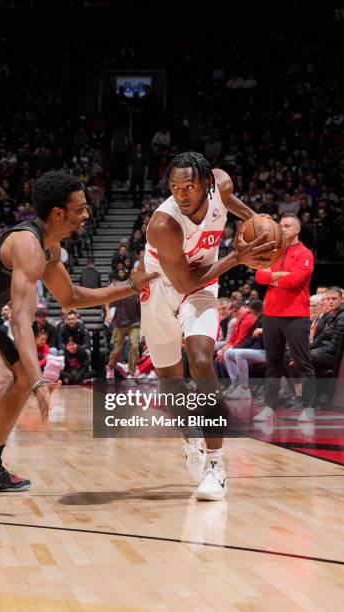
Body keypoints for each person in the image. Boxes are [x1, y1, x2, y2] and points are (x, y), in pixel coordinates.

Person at [0, 170, 157, 521]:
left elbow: (70, 297)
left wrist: (130, 286)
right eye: (81, 208)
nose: (87, 214)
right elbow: (19, 320)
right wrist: (39, 380)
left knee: (14, 380)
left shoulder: (50, 247)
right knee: (0, 378)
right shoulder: (28, 244)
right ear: (58, 213)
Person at [142, 151, 275, 501]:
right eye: (174, 187)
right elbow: (182, 282)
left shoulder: (223, 186)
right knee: (170, 384)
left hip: (202, 286)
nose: (181, 194)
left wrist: (257, 222)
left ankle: (217, 466)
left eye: (189, 186)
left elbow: (233, 204)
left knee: (201, 359)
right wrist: (237, 257)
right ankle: (190, 436)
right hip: (159, 288)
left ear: (208, 186)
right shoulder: (163, 224)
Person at [254, 213, 316, 422]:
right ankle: (270, 406)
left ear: (297, 229)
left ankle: (308, 407)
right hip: (271, 315)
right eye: (281, 226)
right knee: (272, 364)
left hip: (296, 316)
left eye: (288, 226)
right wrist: (278, 276)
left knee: (302, 363)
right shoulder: (274, 252)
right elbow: (259, 276)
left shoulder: (305, 253)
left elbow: (295, 281)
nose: (283, 229)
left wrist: (273, 277)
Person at [223, 299, 265, 399]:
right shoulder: (250, 320)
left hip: (269, 352)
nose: (235, 313)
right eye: (233, 311)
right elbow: (249, 340)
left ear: (248, 309)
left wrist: (263, 330)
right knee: (228, 353)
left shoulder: (258, 319)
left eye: (237, 310)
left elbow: (247, 340)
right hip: (258, 349)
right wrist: (230, 348)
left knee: (239, 354)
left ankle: (244, 389)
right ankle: (236, 385)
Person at [105, 292, 141, 378]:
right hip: (120, 323)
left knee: (135, 346)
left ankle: (131, 374)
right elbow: (107, 301)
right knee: (117, 349)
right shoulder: (121, 289)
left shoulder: (139, 291)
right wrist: (108, 313)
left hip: (135, 322)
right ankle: (111, 367)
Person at [128, 143, 149, 208]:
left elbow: (146, 167)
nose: (139, 148)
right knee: (133, 190)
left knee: (141, 190)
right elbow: (130, 166)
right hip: (134, 174)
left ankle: (140, 203)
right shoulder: (133, 154)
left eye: (140, 147)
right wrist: (129, 175)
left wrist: (146, 176)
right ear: (136, 148)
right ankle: (135, 203)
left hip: (141, 174)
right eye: (138, 147)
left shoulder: (144, 155)